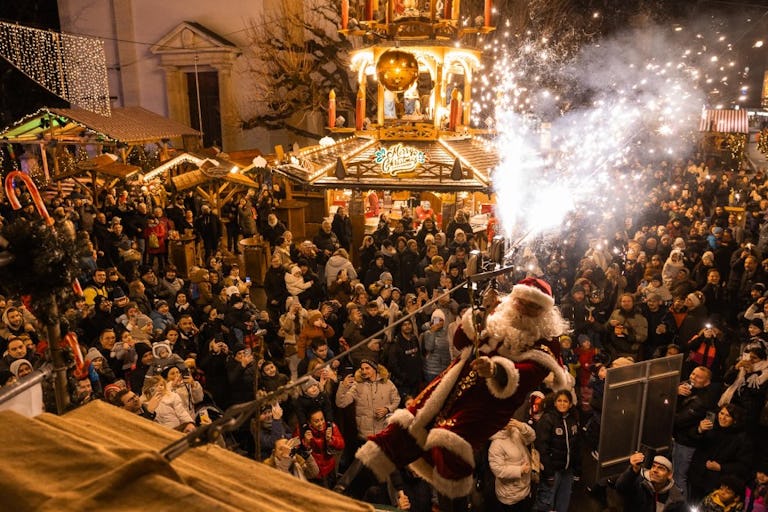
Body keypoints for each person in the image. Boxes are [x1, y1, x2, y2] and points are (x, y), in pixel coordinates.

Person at [335, 277, 572, 502]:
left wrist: (495, 370)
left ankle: (452, 501)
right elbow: (461, 341)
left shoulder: (547, 341)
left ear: (544, 312)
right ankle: (343, 491)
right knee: (401, 430)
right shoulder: (499, 313)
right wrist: (481, 312)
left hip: (487, 404)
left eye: (533, 306)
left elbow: (530, 374)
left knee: (448, 447)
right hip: (450, 386)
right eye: (521, 301)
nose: (524, 309)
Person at [531, 390, 581, 512]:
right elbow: (542, 448)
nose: (562, 404)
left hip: (568, 470)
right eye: (559, 401)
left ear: (570, 404)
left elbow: (577, 446)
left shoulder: (573, 419)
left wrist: (577, 469)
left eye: (565, 401)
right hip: (553, 471)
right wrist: (549, 473)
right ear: (554, 403)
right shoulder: (547, 419)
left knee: (563, 503)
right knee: (547, 503)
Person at [488, 418, 536, 511]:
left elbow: (532, 437)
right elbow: (498, 470)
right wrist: (520, 470)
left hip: (524, 488)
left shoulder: (515, 432)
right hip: (510, 494)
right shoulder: (496, 444)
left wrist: (521, 426)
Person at [615, 452, 685, 512]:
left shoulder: (676, 497)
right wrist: (633, 470)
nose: (655, 470)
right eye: (653, 466)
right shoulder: (640, 483)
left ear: (669, 475)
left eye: (661, 468)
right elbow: (621, 487)